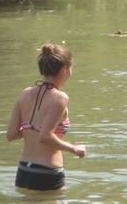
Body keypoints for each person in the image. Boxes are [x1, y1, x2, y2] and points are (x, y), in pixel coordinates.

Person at [6, 44, 86, 191]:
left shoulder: (25, 94)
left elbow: (11, 134)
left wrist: (32, 128)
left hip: (24, 171)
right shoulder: (60, 98)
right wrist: (74, 149)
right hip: (47, 172)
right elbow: (45, 137)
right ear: (64, 69)